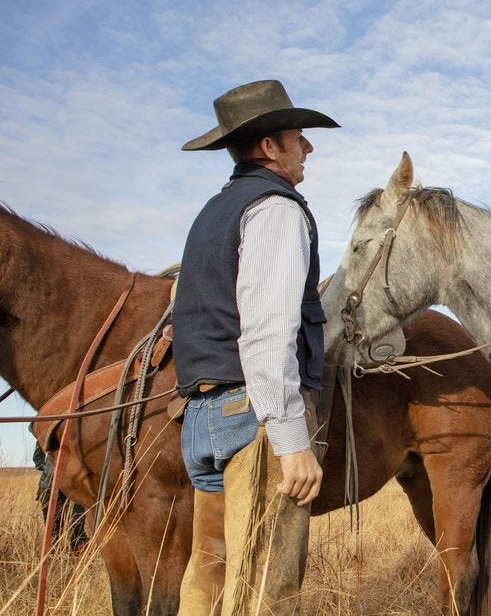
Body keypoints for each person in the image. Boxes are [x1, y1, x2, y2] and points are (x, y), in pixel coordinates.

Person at [172, 79, 339, 615]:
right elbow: (268, 331)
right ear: (270, 146)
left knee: (210, 572)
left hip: (202, 415)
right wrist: (291, 439)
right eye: (299, 138)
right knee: (266, 587)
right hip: (254, 420)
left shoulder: (210, 215)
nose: (308, 148)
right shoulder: (276, 210)